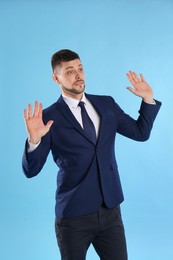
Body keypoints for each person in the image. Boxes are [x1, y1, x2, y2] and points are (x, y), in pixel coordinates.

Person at [22, 49, 161, 260]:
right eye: (69, 71)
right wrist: (34, 141)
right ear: (56, 78)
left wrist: (148, 99)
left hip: (110, 211)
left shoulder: (107, 104)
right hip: (73, 216)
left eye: (80, 68)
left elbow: (140, 133)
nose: (78, 75)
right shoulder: (48, 118)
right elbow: (31, 170)